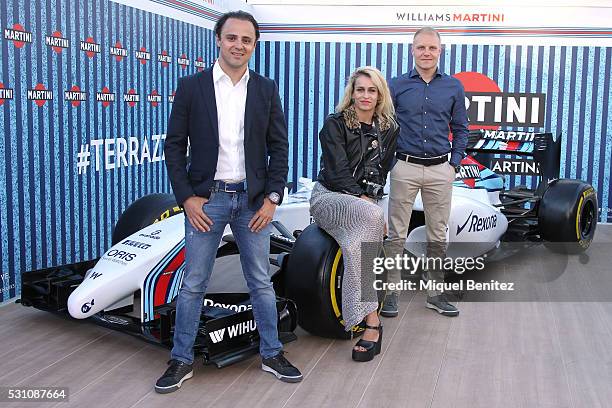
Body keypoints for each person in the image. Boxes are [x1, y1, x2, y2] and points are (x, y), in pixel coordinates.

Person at [157, 11, 302, 393]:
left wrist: (273, 198)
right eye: (232, 37)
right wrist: (187, 197)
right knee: (194, 284)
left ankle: (272, 353)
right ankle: (181, 360)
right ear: (218, 39)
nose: (239, 45)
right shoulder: (192, 87)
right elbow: (174, 148)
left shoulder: (266, 89)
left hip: (254, 202)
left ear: (254, 45)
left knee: (260, 281)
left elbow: (279, 148)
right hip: (207, 201)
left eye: (247, 40)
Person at [310, 66, 399, 362]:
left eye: (371, 90)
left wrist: (369, 202)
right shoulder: (335, 124)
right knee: (372, 220)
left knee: (355, 247)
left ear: (380, 94)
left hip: (366, 205)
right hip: (331, 198)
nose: (365, 95)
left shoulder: (389, 129)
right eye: (360, 89)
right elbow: (337, 173)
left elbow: (381, 172)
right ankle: (371, 322)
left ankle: (368, 319)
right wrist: (367, 204)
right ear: (352, 92)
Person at [382, 26, 468, 318]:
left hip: (439, 170)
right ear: (412, 50)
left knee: (437, 235)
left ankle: (434, 293)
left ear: (440, 51)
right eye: (421, 47)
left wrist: (453, 164)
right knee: (396, 234)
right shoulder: (396, 85)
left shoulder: (453, 86)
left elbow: (461, 129)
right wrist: (391, 162)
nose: (426, 52)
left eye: (432, 48)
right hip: (404, 167)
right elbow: (385, 126)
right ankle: (391, 293)